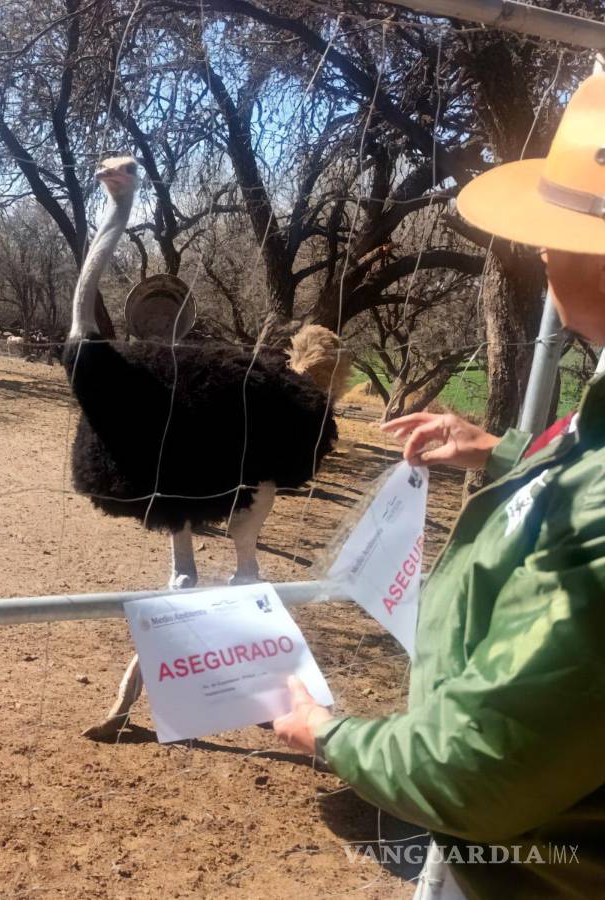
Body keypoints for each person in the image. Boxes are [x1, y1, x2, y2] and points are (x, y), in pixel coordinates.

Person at [273, 73, 605, 899]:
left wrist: (326, 733)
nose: (538, 251)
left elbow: (477, 771)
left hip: (539, 871)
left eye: (553, 233)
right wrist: (500, 449)